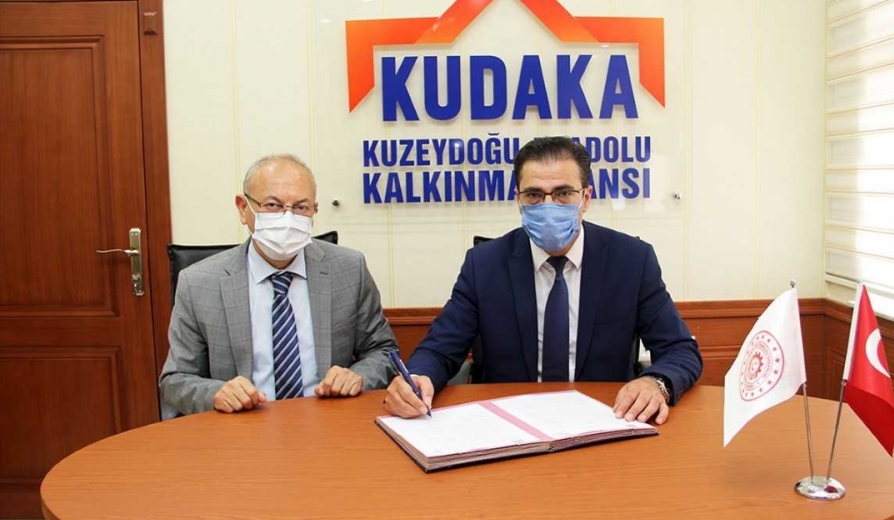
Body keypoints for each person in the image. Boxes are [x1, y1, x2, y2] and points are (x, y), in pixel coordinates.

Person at [384, 136, 702, 424]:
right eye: (534, 195)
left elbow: (680, 349)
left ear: (586, 198)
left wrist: (656, 382)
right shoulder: (484, 264)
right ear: (518, 199)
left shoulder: (631, 260)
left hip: (604, 419)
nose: (549, 206)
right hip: (508, 424)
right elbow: (439, 349)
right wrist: (419, 377)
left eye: (564, 193)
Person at [160, 154, 397, 416]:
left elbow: (383, 351)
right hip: (242, 425)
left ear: (314, 210)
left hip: (328, 421)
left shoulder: (349, 269)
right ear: (243, 208)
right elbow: (176, 378)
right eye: (273, 205)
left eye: (301, 207)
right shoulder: (198, 283)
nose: (288, 217)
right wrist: (215, 393)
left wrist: (358, 376)